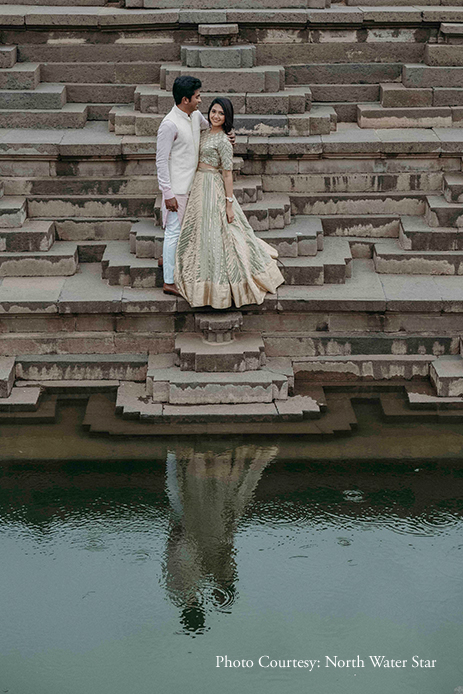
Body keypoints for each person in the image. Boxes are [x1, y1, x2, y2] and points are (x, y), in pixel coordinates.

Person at [175, 97, 284, 309]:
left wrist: (228, 203)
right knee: (198, 229)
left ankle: (222, 287)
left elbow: (227, 175)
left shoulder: (225, 141)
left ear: (227, 118)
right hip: (198, 184)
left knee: (220, 232)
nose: (215, 116)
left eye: (221, 113)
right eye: (213, 111)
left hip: (213, 185)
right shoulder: (203, 133)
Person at [155, 75, 208, 297]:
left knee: (183, 232)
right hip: (176, 190)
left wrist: (228, 135)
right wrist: (167, 193)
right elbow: (161, 160)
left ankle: (166, 260)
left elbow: (210, 127)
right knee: (174, 232)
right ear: (185, 99)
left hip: (192, 185)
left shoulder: (195, 115)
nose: (200, 100)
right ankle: (169, 281)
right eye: (197, 97)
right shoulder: (169, 124)